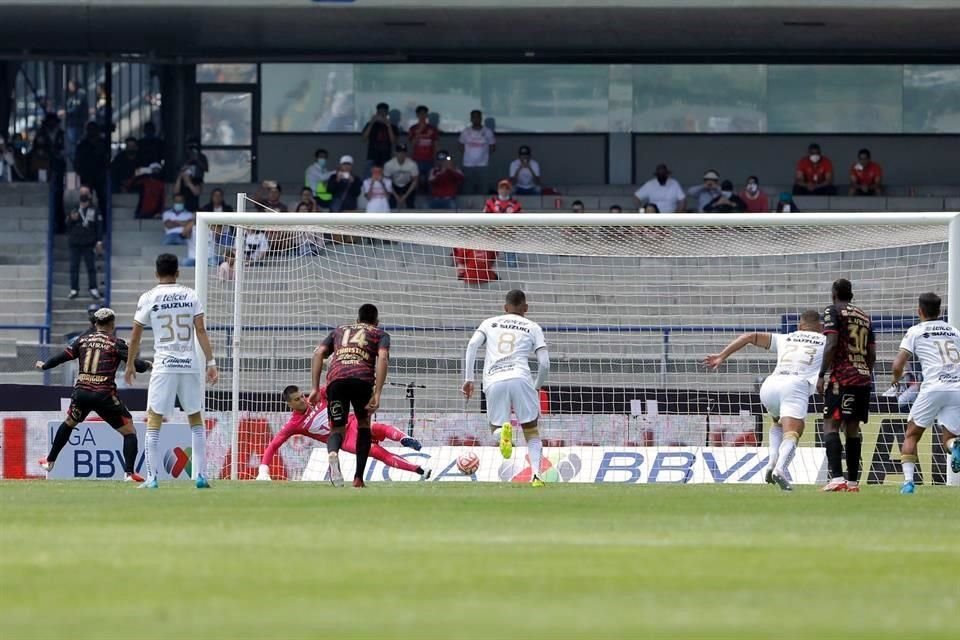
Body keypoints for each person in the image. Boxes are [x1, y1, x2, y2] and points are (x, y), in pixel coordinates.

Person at [124, 253, 219, 489]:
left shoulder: (149, 297)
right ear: (178, 272)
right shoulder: (190, 295)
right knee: (195, 418)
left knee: (154, 417)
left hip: (164, 365)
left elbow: (135, 335)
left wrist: (129, 363)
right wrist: (211, 362)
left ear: (156, 273)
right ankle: (200, 476)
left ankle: (152, 478)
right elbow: (201, 331)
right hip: (189, 364)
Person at [704, 310, 826, 491]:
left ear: (800, 326)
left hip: (770, 386)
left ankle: (771, 463)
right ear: (821, 327)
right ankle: (781, 469)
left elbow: (749, 336)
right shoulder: (826, 341)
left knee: (777, 423)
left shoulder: (786, 337)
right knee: (793, 432)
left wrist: (722, 356)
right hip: (795, 384)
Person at [35, 308, 151, 482]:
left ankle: (50, 460)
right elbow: (137, 366)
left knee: (69, 423)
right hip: (104, 395)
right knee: (129, 431)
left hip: (82, 393)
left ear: (95, 324)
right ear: (112, 324)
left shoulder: (82, 340)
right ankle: (129, 473)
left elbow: (62, 357)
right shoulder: (115, 343)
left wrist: (45, 366)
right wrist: (149, 364)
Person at [462, 289, 550, 487]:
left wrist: (469, 378)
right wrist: (536, 387)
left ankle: (502, 435)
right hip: (520, 377)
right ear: (526, 308)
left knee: (496, 427)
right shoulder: (533, 327)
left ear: (505, 308)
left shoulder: (489, 322)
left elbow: (472, 345)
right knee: (531, 431)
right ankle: (536, 476)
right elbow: (544, 363)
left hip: (494, 379)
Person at [256, 385, 429, 481]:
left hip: (352, 421)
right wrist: (263, 470)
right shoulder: (294, 424)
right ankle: (418, 469)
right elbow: (274, 444)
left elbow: (335, 382)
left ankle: (405, 438)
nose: (302, 400)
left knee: (378, 427)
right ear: (290, 405)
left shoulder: (317, 397)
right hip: (344, 439)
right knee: (376, 452)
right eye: (297, 400)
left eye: (302, 396)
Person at [310, 304, 391, 488]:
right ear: (376, 322)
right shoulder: (380, 334)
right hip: (362, 381)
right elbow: (383, 358)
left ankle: (333, 453)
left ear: (357, 320)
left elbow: (318, 353)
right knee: (363, 425)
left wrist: (315, 388)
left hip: (336, 381)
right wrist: (377, 393)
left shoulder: (339, 330)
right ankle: (358, 478)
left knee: (337, 428)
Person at [891, 292, 960, 493]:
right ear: (939, 311)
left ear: (919, 310)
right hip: (957, 388)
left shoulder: (915, 331)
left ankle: (908, 483)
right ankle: (955, 444)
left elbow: (898, 364)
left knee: (912, 433)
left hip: (933, 387)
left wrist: (895, 378)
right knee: (950, 439)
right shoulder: (954, 332)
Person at [817, 278, 875, 493]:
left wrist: (822, 374)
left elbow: (831, 344)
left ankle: (837, 478)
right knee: (852, 429)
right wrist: (863, 372)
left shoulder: (832, 311)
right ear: (851, 294)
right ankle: (852, 482)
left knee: (830, 424)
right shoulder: (864, 316)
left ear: (834, 293)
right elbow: (872, 354)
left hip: (842, 378)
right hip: (862, 378)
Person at [66, 191, 103, 300]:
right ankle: (74, 289)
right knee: (74, 267)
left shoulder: (94, 210)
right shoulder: (74, 210)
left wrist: (99, 241)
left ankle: (93, 289)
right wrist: (71, 219)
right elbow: (67, 226)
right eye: (82, 201)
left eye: (85, 201)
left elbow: (99, 226)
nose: (83, 203)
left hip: (88, 243)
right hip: (75, 243)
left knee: (91, 267)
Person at [458, 109, 496, 194]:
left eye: (477, 117)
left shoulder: (487, 131)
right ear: (471, 119)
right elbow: (460, 146)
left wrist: (483, 155)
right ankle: (468, 207)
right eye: (473, 117)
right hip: (468, 164)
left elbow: (492, 147)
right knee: (467, 187)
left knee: (483, 188)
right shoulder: (466, 131)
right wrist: (470, 155)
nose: (475, 119)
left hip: (483, 164)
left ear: (480, 118)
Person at [408, 105, 439, 193]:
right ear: (417, 115)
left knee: (430, 180)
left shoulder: (432, 129)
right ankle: (416, 197)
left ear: (427, 115)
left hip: (429, 159)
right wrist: (420, 131)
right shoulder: (413, 128)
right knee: (416, 179)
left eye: (424, 114)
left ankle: (430, 198)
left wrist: (437, 159)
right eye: (420, 114)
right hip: (417, 159)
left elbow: (436, 144)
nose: (422, 116)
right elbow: (412, 143)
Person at [361, 102, 400, 173]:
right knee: (369, 177)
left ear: (387, 113)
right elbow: (364, 138)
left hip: (386, 156)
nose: (382, 114)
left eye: (384, 112)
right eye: (380, 112)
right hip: (372, 156)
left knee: (386, 178)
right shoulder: (370, 124)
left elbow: (393, 141)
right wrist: (371, 123)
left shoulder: (393, 126)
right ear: (377, 113)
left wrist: (388, 126)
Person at [384, 144, 418, 210]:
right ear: (395, 153)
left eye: (403, 152)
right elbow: (387, 182)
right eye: (399, 152)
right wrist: (396, 196)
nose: (402, 154)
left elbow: (415, 181)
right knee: (391, 204)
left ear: (406, 153)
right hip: (394, 185)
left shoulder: (412, 164)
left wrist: (405, 196)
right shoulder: (388, 164)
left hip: (407, 184)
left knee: (410, 205)